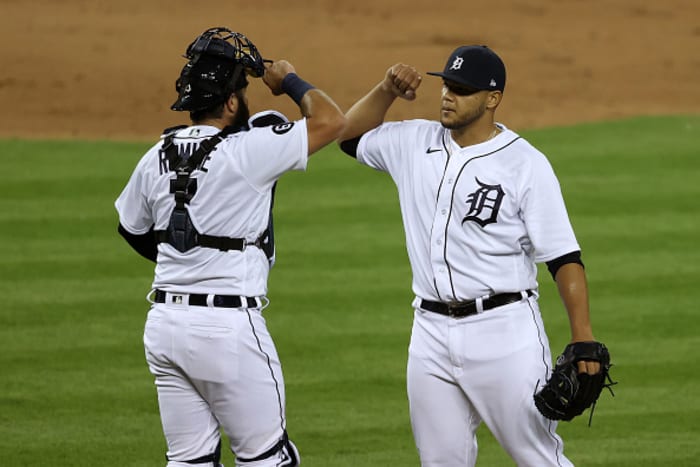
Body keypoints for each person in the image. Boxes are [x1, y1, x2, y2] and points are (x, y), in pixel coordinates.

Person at [338, 45, 603, 466]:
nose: (448, 95)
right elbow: (347, 136)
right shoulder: (413, 141)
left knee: (538, 458)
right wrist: (386, 89)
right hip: (428, 335)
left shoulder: (525, 164)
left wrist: (583, 336)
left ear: (492, 99)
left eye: (462, 90)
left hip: (504, 333)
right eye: (447, 85)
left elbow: (563, 257)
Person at [114, 27, 345, 467]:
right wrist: (289, 81)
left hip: (164, 326)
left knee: (189, 462)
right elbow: (331, 120)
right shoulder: (248, 150)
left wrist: (187, 258)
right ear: (232, 102)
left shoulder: (155, 154)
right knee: (267, 459)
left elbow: (132, 228)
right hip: (227, 332)